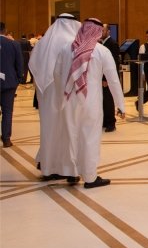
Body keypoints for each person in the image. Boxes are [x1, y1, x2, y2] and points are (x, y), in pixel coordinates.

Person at [55, 18, 125, 188]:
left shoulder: (66, 49)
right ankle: (90, 177)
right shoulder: (102, 51)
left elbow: (57, 73)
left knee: (70, 136)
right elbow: (113, 80)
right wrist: (120, 105)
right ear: (98, 32)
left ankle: (71, 173)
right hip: (90, 102)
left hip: (69, 101)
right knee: (90, 137)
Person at [28, 13, 81, 180]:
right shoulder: (72, 42)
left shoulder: (43, 42)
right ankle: (70, 170)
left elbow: (33, 65)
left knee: (50, 129)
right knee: (69, 129)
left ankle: (48, 167)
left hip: (46, 94)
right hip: (67, 93)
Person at [0, 22, 24, 148]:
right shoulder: (14, 44)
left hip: (7, 81)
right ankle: (6, 139)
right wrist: (18, 79)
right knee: (7, 111)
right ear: (5, 30)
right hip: (9, 82)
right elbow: (19, 63)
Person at [100, 24, 121, 132]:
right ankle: (104, 120)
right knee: (102, 100)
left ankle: (111, 123)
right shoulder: (100, 43)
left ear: (108, 31)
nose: (101, 32)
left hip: (107, 78)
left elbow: (114, 63)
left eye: (103, 30)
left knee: (108, 100)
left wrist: (106, 79)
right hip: (100, 77)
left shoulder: (113, 44)